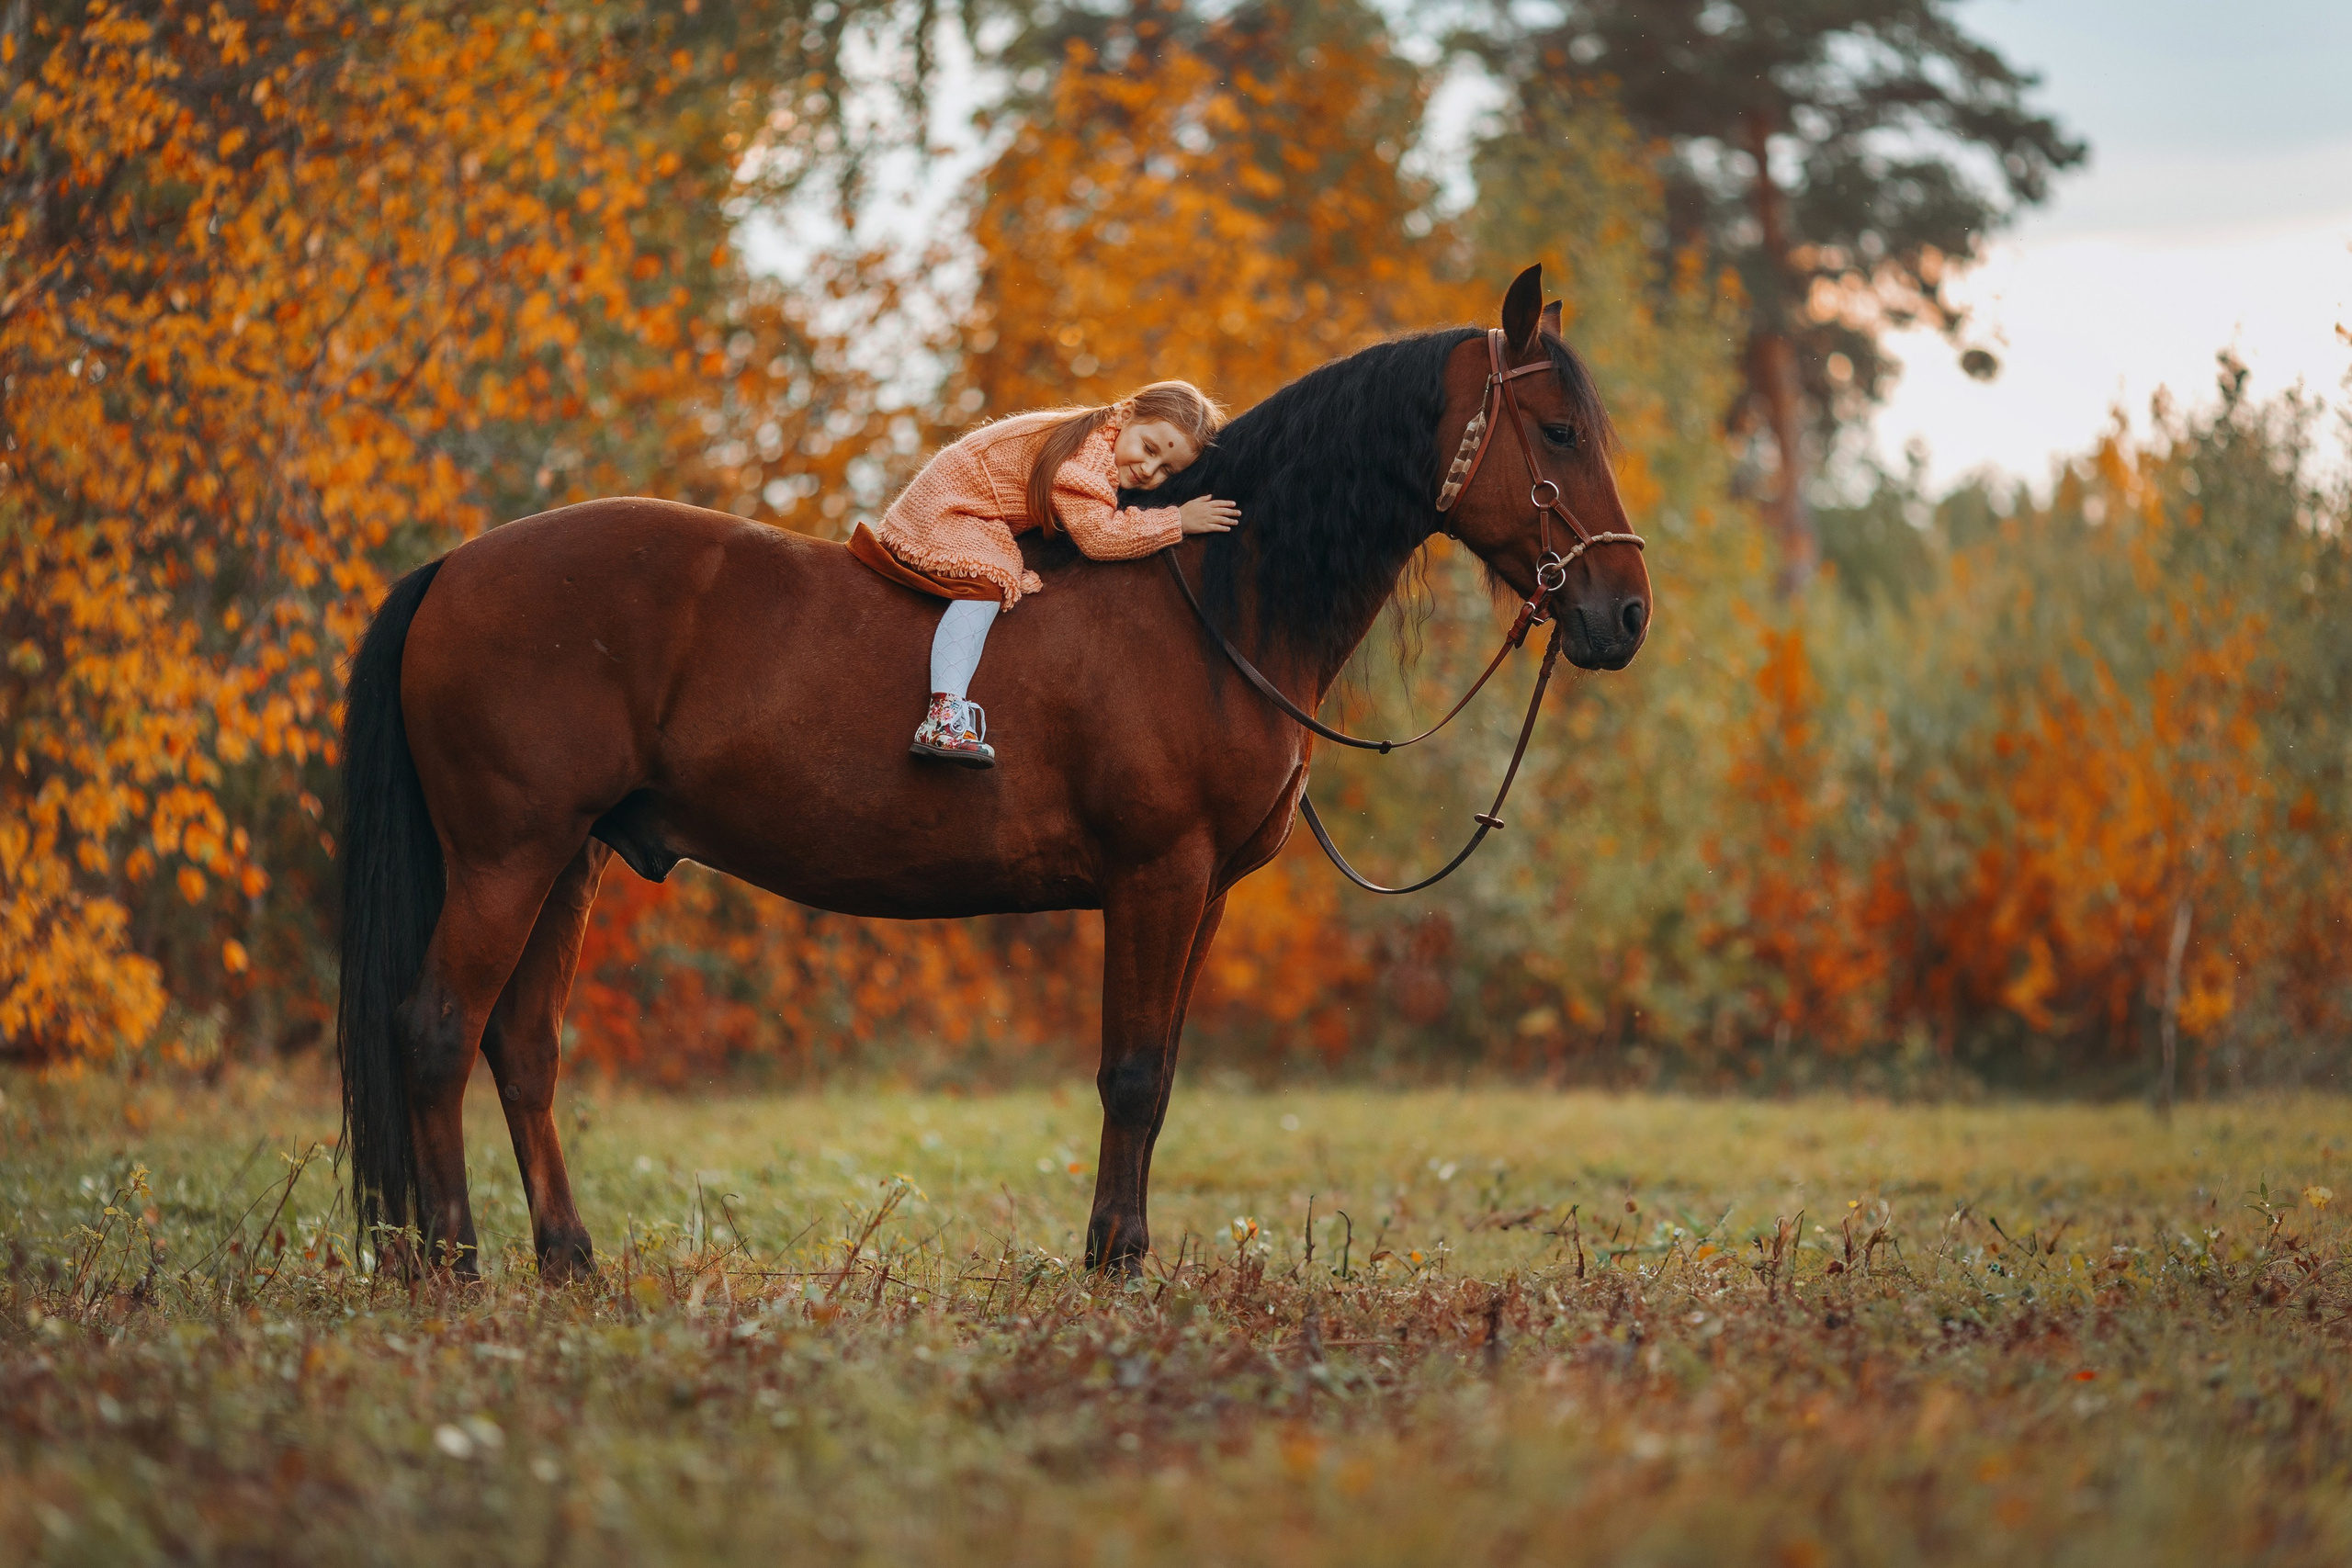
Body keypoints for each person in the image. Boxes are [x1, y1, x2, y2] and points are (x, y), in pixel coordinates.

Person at [858, 380, 1239, 768]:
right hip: (950, 506)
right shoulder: (1086, 458)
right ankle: (942, 717)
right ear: (1125, 414)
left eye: (1166, 470)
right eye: (1148, 449)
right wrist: (1178, 520)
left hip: (971, 503)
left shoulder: (1100, 439)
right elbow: (1100, 536)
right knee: (988, 582)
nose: (1148, 469)